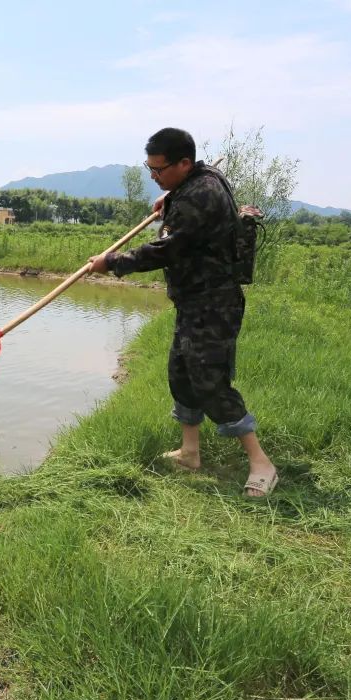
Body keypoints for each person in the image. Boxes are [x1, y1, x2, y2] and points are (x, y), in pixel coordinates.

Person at [86, 127, 277, 497]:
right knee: (181, 374)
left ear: (184, 163)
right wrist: (168, 201)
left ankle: (261, 463)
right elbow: (183, 205)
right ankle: (190, 453)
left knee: (209, 380)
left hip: (214, 302)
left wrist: (112, 263)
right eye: (150, 169)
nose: (154, 177)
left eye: (159, 171)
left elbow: (166, 250)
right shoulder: (197, 181)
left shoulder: (200, 195)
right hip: (193, 300)